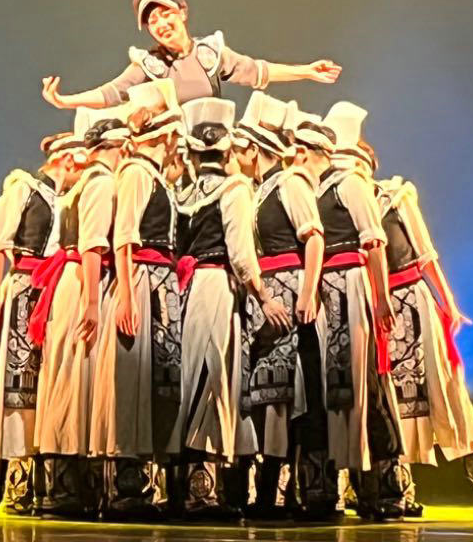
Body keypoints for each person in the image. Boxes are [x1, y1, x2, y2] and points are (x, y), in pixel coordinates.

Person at [369, 150, 473, 521]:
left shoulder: (395, 199)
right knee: (389, 403)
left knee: (447, 393)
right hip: (377, 312)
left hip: (414, 305)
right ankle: (398, 491)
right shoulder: (342, 203)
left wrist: (448, 304)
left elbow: (425, 256)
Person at [173, 96, 287, 519]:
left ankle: (190, 486)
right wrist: (264, 296)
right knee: (213, 376)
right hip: (217, 286)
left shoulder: (184, 192)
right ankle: (202, 491)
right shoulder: (234, 189)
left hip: (187, 289)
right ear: (226, 152)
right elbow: (240, 254)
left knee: (192, 377)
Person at [0, 128, 78, 516]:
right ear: (67, 159)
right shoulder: (24, 189)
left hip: (53, 293)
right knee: (13, 385)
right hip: (24, 289)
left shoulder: (70, 199)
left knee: (40, 388)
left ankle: (29, 486)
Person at [91, 80, 185, 520]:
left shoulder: (154, 177)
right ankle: (126, 487)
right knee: (133, 380)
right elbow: (125, 237)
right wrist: (127, 295)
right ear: (164, 135)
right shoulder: (135, 173)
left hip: (157, 283)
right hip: (141, 281)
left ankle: (144, 482)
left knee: (153, 380)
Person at [41, 0, 343, 110]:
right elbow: (111, 93)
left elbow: (258, 71)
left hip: (215, 149)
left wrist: (306, 71)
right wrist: (65, 101)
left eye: (166, 14)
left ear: (182, 13)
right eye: (152, 21)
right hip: (169, 156)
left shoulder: (209, 54)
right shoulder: (150, 65)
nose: (160, 24)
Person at [31, 106, 130, 517]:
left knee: (67, 374)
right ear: (115, 147)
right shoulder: (100, 182)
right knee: (75, 376)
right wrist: (92, 301)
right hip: (82, 281)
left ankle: (63, 485)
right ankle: (67, 486)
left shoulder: (80, 184)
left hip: (71, 279)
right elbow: (92, 244)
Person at [235, 91, 329, 519]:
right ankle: (270, 489)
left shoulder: (289, 183)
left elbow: (313, 236)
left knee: (286, 392)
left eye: (241, 149)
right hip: (270, 294)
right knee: (268, 391)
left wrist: (307, 292)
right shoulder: (261, 190)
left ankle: (284, 491)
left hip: (290, 291)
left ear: (255, 150)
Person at [314, 101, 405, 522]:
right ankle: (345, 484)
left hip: (352, 286)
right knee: (338, 388)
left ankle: (381, 488)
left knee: (365, 383)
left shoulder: (351, 184)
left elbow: (373, 242)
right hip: (329, 292)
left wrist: (381, 297)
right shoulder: (321, 187)